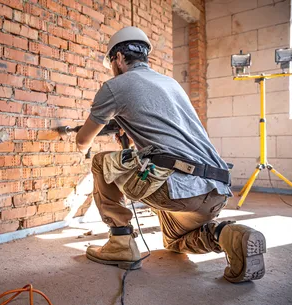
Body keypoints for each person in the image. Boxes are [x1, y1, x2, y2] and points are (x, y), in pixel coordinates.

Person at [75, 26, 266, 283]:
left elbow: (82, 141)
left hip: (177, 188)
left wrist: (91, 136)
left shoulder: (115, 86)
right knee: (174, 241)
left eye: (112, 61)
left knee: (101, 163)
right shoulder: (170, 83)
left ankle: (120, 241)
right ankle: (228, 234)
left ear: (118, 58)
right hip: (216, 190)